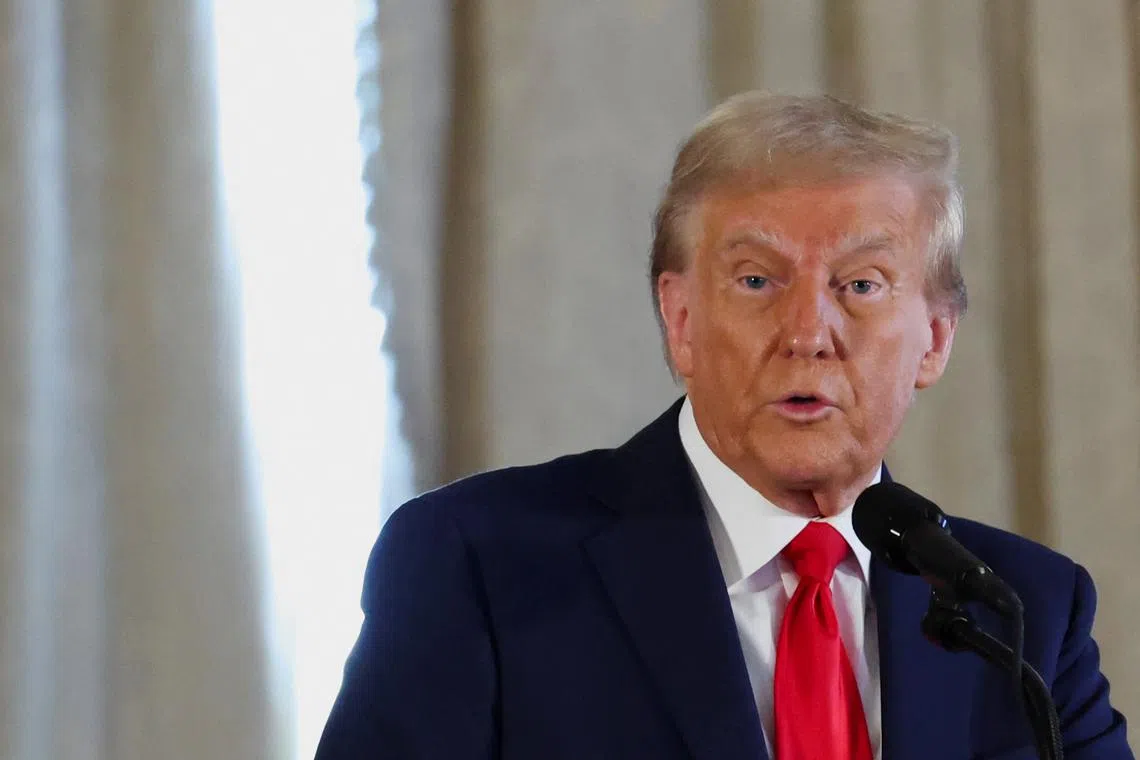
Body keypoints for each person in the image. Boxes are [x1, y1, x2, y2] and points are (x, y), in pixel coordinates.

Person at [315, 92, 1132, 759]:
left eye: (862, 284)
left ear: (937, 339)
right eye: (755, 279)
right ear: (680, 322)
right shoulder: (479, 565)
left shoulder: (1023, 611)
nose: (808, 331)